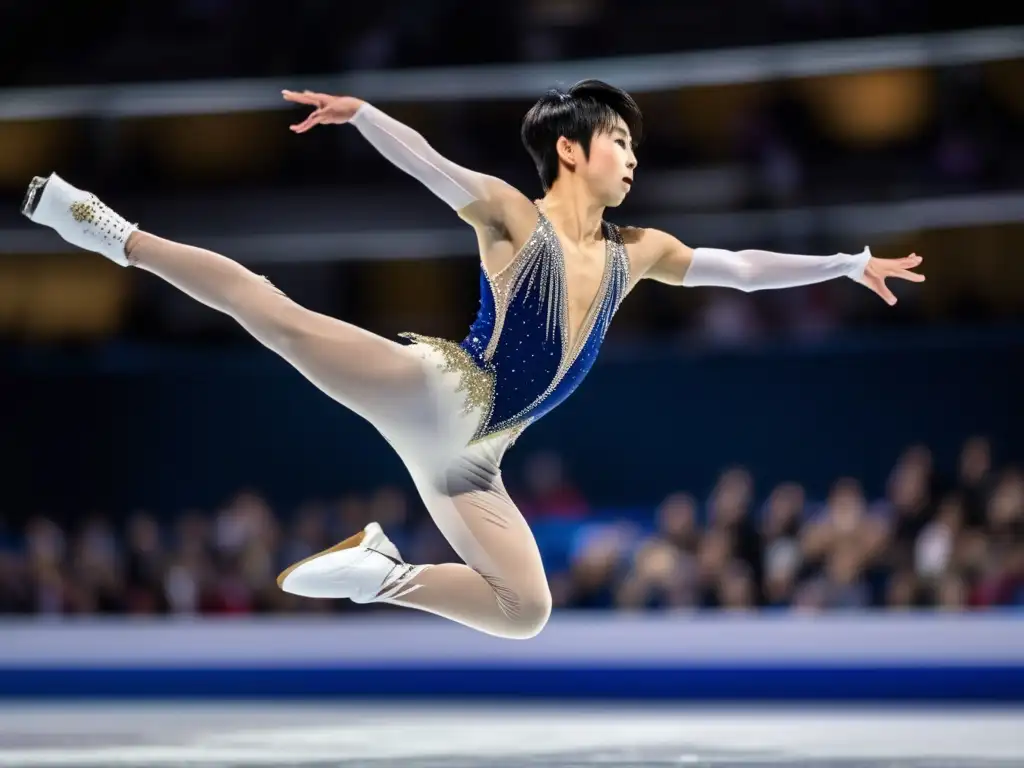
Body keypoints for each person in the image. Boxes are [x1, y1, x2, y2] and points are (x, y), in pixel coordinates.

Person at [21, 80, 924, 639]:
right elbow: (431, 167)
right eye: (621, 141)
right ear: (571, 149)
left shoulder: (635, 251)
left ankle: (382, 575)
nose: (634, 158)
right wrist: (368, 114)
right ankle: (108, 230)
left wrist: (845, 262)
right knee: (275, 312)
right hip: (443, 393)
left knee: (526, 611)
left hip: (473, 465)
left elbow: (741, 271)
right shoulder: (511, 214)